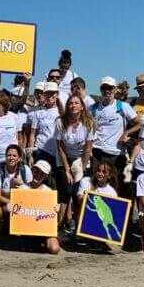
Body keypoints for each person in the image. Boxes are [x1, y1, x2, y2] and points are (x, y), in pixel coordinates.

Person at [55, 94, 94, 229]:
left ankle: (78, 226)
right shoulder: (60, 122)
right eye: (71, 103)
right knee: (66, 191)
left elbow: (88, 149)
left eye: (77, 103)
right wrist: (67, 169)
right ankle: (59, 225)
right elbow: (59, 147)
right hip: (64, 158)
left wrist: (80, 170)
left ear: (82, 106)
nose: (73, 105)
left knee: (78, 193)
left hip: (82, 160)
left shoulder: (89, 123)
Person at [90, 77, 138, 178]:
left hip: (116, 154)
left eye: (110, 88)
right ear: (101, 89)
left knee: (114, 186)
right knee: (96, 185)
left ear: (115, 89)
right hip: (96, 152)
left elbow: (141, 123)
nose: (106, 90)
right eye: (104, 88)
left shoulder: (123, 106)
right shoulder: (93, 108)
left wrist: (126, 134)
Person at [0, 92, 24, 165]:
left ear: (4, 104)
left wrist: (20, 155)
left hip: (12, 159)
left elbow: (19, 139)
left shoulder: (14, 117)